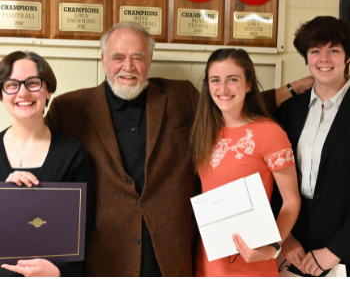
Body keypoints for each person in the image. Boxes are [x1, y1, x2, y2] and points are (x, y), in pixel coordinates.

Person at [44, 21, 311, 277]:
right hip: (106, 259)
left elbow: (229, 107)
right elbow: (41, 156)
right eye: (118, 57)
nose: (128, 66)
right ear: (102, 59)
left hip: (174, 259)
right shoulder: (69, 109)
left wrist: (289, 89)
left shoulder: (180, 95)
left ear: (149, 60)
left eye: (138, 57)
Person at [189, 48, 301, 277]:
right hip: (207, 261)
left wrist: (273, 247)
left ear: (249, 84)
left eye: (233, 80)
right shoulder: (202, 132)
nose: (223, 89)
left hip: (252, 261)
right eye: (215, 80)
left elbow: (291, 200)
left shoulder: (269, 133)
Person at [0, 51, 93, 277]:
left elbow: (84, 230)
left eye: (33, 83)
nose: (23, 92)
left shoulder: (74, 153)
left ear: (48, 91)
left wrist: (57, 273)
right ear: (2, 95)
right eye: (12, 85)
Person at [275, 16, 350, 277]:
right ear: (306, 57)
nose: (324, 59)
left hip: (341, 251)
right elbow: (275, 178)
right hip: (293, 245)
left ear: (347, 57)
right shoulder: (288, 110)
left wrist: (337, 249)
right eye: (315, 50)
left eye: (334, 50)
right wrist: (284, 236)